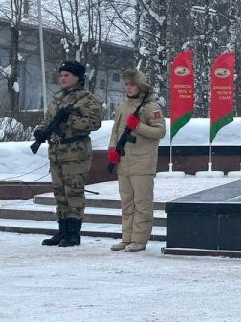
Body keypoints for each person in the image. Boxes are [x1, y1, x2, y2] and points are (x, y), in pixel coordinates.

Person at [37, 61, 103, 247]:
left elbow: (94, 123)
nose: (62, 78)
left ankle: (73, 233)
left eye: (67, 75)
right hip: (56, 151)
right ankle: (62, 230)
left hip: (75, 152)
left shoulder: (86, 99)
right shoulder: (57, 97)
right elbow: (48, 120)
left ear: (77, 77)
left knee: (73, 192)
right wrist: (40, 131)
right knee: (60, 193)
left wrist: (71, 119)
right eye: (61, 75)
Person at [108, 69, 166, 252]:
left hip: (143, 162)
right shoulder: (123, 107)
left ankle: (139, 240)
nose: (129, 88)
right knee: (127, 202)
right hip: (124, 161)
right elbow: (116, 131)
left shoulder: (151, 107)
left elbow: (160, 132)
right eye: (126, 84)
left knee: (142, 203)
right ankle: (127, 238)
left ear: (140, 86)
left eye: (132, 84)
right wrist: (112, 149)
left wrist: (138, 127)